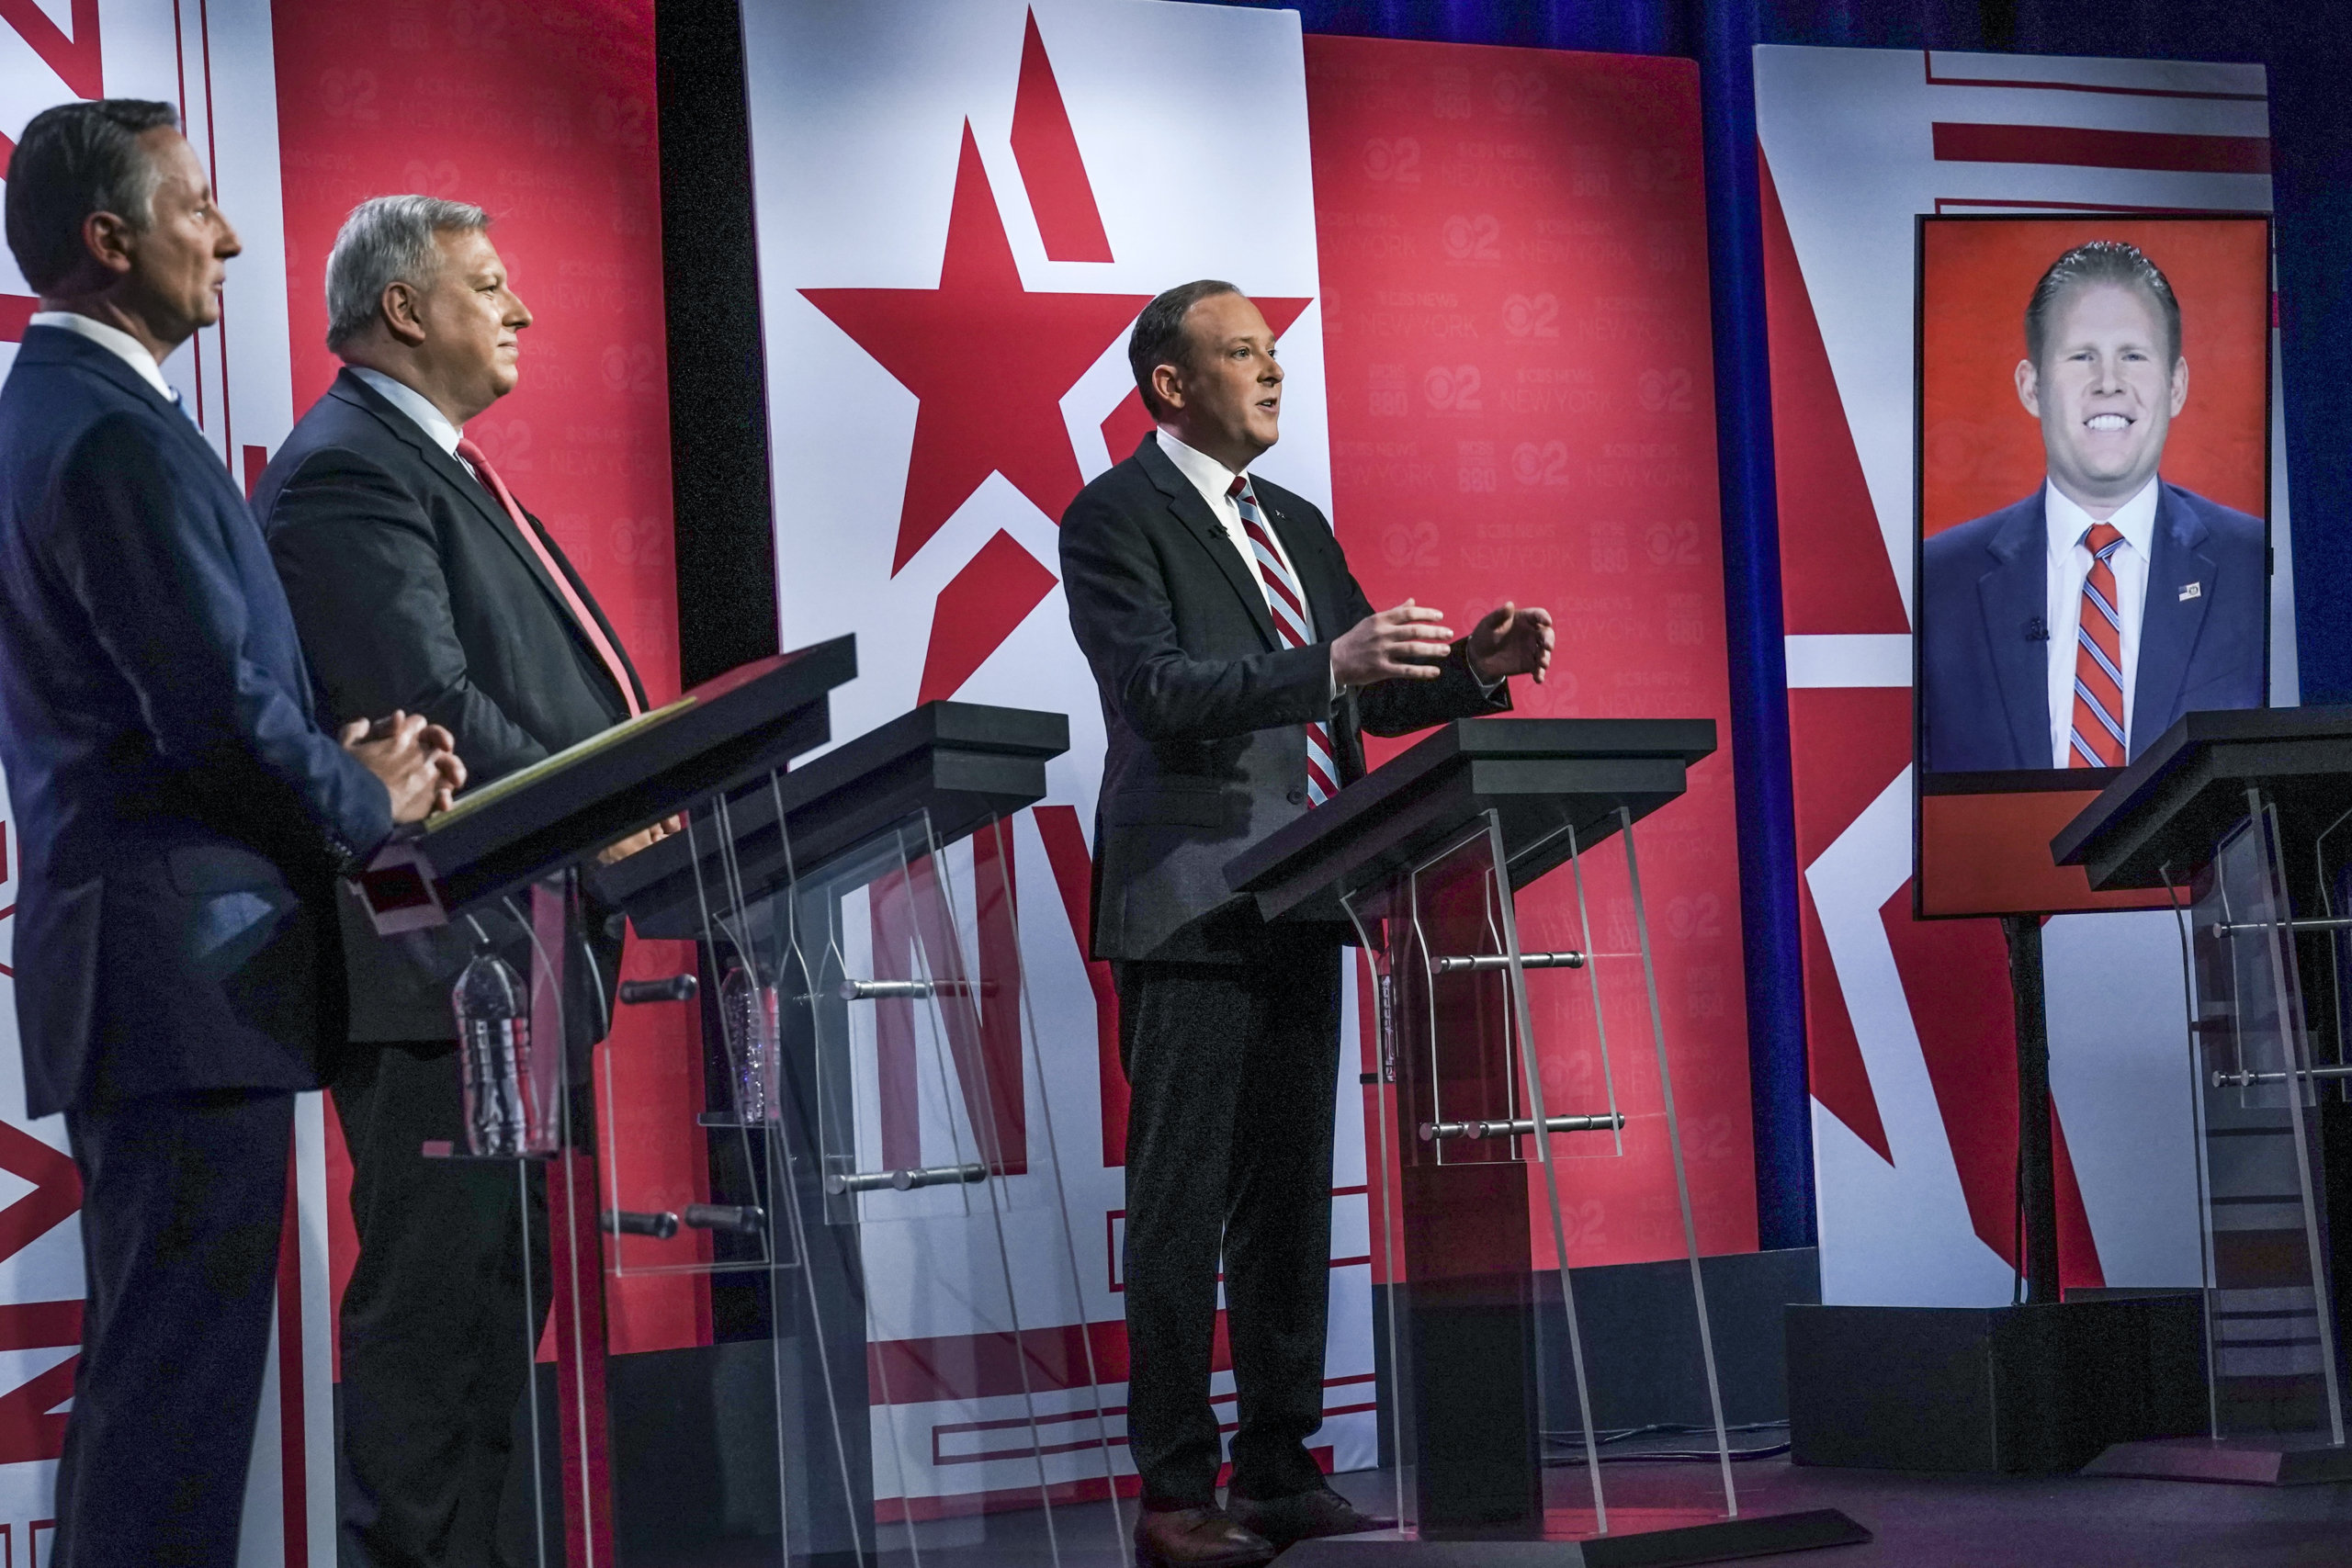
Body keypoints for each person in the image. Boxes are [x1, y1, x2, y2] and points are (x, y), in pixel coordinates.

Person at [0, 102, 460, 1566]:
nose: (234, 235)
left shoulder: (57, 415)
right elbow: (208, 708)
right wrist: (361, 792)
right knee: (173, 1402)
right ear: (109, 237)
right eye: (200, 205)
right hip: (187, 984)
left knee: (159, 1392)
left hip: (160, 981)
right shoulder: (106, 431)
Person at [1060, 281, 1553, 1568]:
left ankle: (1278, 1460)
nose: (1273, 373)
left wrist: (1471, 673)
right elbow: (1160, 692)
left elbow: (1359, 701)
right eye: (1243, 354)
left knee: (1286, 1205)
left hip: (1309, 892)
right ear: (1169, 383)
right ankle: (1175, 1488)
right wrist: (1330, 663)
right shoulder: (1116, 516)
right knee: (1179, 1209)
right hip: (1190, 905)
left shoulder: (1295, 522)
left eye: (1276, 354)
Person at [255, 195, 660, 1568]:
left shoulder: (430, 464)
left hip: (514, 952)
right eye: (489, 284)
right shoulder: (346, 469)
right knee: (439, 1326)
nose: (523, 310)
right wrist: (608, 801)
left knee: (497, 1316)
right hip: (440, 963)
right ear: (407, 311)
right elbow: (422, 699)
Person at [1918, 240, 2267, 773]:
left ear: (2176, 386)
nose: (2109, 383)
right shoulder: (1938, 580)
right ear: (2032, 388)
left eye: (2132, 356)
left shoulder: (2253, 563)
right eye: (2082, 357)